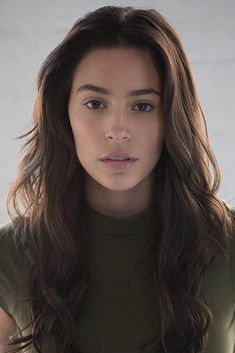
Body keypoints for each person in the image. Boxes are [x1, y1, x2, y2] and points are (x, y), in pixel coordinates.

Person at [0, 5, 234, 353]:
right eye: (95, 104)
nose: (118, 130)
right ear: (64, 115)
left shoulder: (227, 244)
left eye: (142, 106)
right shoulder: (10, 257)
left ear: (171, 116)